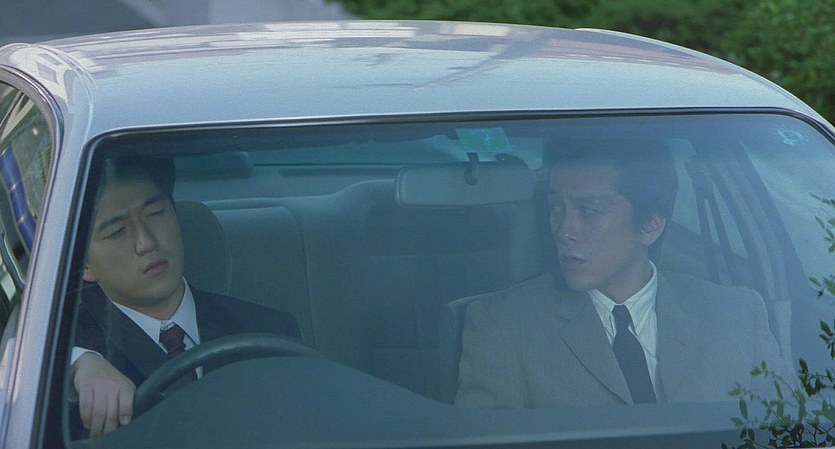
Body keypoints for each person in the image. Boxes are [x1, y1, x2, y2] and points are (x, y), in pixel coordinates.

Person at [454, 140, 792, 409]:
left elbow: (789, 430)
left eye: (588, 211)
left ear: (651, 224)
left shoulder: (736, 316)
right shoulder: (503, 326)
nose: (564, 230)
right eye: (556, 208)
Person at [70, 155, 300, 437]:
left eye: (156, 213)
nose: (146, 242)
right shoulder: (57, 352)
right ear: (85, 264)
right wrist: (74, 364)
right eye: (117, 231)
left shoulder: (271, 332)